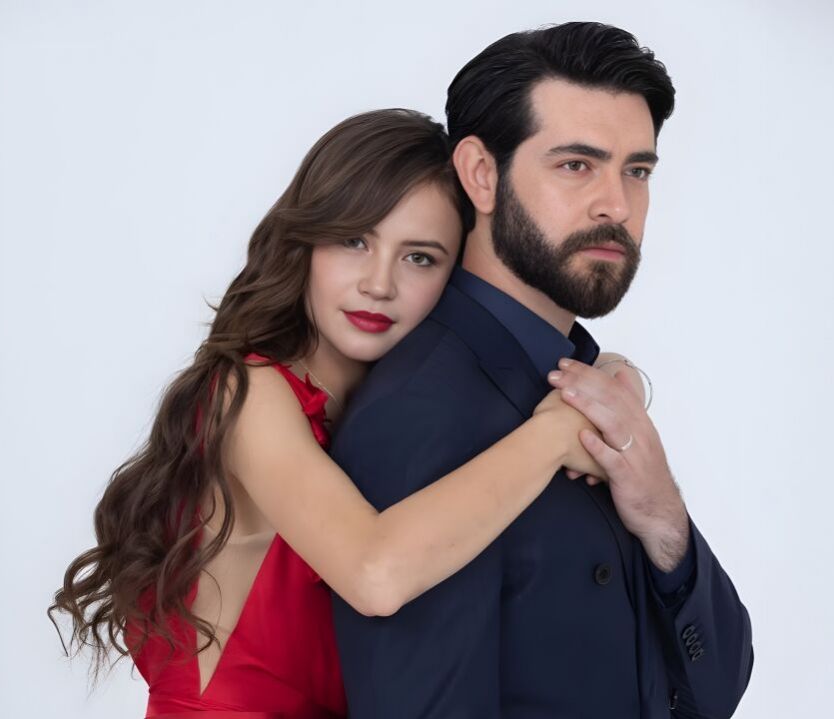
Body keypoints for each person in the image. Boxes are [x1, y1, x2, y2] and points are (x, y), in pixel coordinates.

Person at [49, 108, 630, 718]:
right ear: (304, 243)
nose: (379, 283)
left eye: (420, 258)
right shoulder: (246, 392)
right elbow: (374, 575)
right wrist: (557, 432)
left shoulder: (405, 412)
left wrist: (616, 380)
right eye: (354, 241)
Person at [329, 22, 755, 718]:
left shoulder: (596, 388)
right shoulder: (420, 414)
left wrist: (663, 517)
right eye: (576, 165)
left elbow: (718, 688)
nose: (616, 204)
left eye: (637, 171)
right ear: (481, 174)